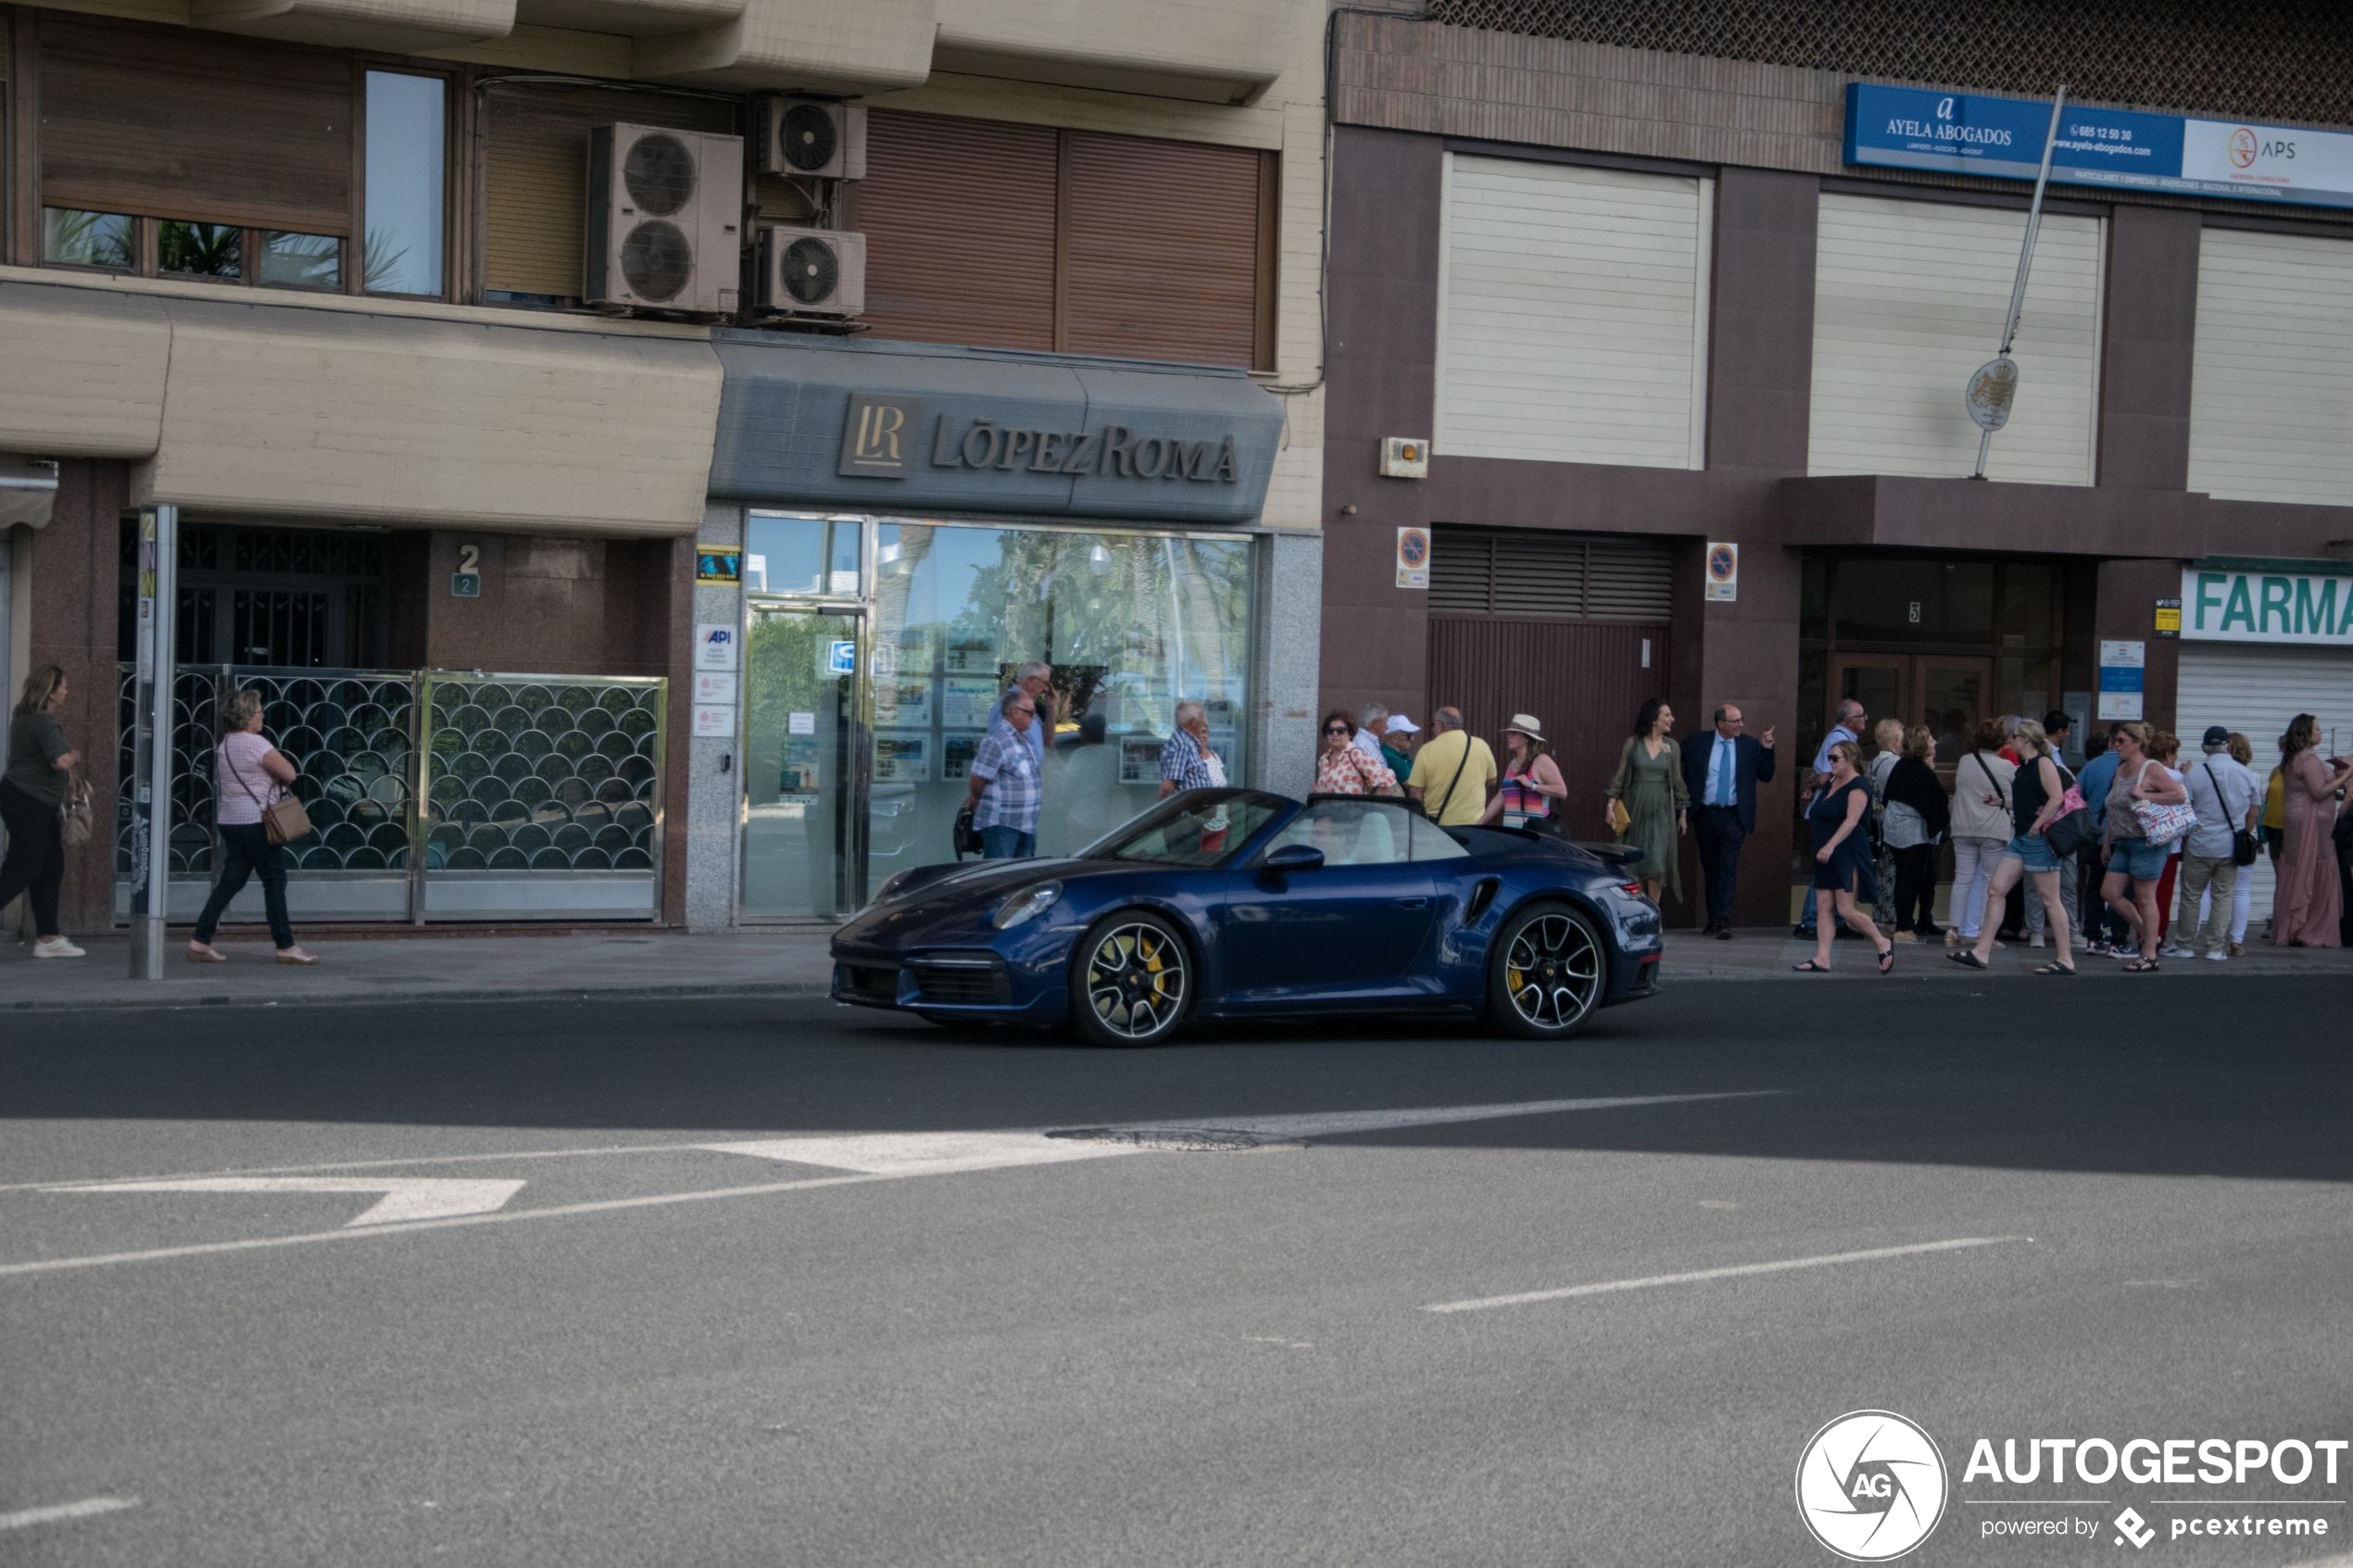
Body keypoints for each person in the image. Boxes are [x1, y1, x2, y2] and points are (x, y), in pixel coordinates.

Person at [186, 690, 317, 964]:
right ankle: (286, 946)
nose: (263, 716)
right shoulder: (256, 744)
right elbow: (290, 773)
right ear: (247, 717)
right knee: (274, 881)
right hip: (258, 823)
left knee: (231, 881)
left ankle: (200, 941)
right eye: (259, 712)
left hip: (231, 821)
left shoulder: (225, 745)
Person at [1951, 719, 2076, 974]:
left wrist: (2038, 824)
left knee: (2050, 899)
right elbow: (2025, 802)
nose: (2011, 740)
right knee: (1996, 890)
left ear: (2027, 739)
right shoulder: (2023, 767)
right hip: (2022, 839)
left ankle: (2065, 958)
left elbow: (2057, 798)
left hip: (2039, 839)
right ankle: (1981, 952)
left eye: (2015, 736)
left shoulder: (2043, 763)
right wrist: (1999, 803)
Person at [0, 664, 86, 959]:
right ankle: (48, 937)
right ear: (50, 690)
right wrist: (74, 755)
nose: (66, 691)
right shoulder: (43, 721)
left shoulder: (22, 716)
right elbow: (59, 761)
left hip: (29, 799)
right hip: (29, 800)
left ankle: (48, 937)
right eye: (62, 686)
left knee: (50, 866)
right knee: (25, 866)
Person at [1793, 739, 1895, 974]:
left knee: (1846, 910)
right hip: (1825, 853)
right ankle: (1822, 957)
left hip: (1846, 852)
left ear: (1850, 759)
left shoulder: (1858, 785)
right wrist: (1811, 787)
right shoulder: (1831, 781)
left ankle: (1882, 942)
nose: (1831, 763)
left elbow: (1852, 821)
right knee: (1823, 906)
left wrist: (1830, 845)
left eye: (1835, 758)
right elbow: (1816, 778)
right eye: (1829, 758)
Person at [1679, 702, 1777, 937]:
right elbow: (1673, 755)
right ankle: (1713, 919)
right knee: (1711, 867)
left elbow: (1766, 775)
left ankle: (1723, 920)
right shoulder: (1698, 742)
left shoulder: (1749, 745)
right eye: (1736, 721)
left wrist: (1767, 749)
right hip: (1705, 813)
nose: (1741, 724)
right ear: (1721, 724)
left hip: (1734, 815)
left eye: (1742, 720)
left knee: (1727, 867)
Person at [2098, 721, 2189, 971]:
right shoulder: (2121, 770)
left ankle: (2149, 953)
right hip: (2123, 840)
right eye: (2115, 741)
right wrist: (2108, 842)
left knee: (2145, 898)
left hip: (2147, 841)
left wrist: (2147, 795)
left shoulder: (2151, 768)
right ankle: (2150, 936)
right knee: (2110, 893)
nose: (2116, 746)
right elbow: (2113, 809)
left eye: (2122, 741)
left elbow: (2178, 795)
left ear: (2138, 743)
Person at [2172, 725, 2259, 963]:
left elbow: (2185, 810)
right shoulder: (2247, 775)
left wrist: (2187, 840)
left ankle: (2185, 945)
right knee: (2223, 896)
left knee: (2191, 896)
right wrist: (2244, 833)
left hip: (2199, 844)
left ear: (2204, 747)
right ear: (2227, 746)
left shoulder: (2194, 774)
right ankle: (2214, 948)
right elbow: (2253, 811)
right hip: (2230, 846)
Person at [2271, 712, 2352, 947]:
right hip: (2311, 822)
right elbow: (2318, 792)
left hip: (2301, 818)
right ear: (2305, 733)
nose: (2321, 732)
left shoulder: (2294, 758)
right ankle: (2309, 927)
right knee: (2312, 869)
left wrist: (2339, 791)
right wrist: (2347, 775)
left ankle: (2298, 924)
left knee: (2300, 869)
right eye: (2317, 729)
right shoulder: (2308, 759)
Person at [1605, 697, 1689, 905]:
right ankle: (1637, 919)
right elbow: (1620, 777)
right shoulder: (1632, 744)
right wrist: (1610, 806)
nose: (1672, 719)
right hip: (1635, 811)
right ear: (1654, 719)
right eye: (1667, 715)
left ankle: (1654, 920)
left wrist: (1683, 813)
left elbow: (1678, 781)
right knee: (1634, 866)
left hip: (1661, 813)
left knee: (1657, 867)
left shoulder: (1672, 747)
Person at [1944, 718, 2016, 954]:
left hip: (1963, 827)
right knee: (1989, 882)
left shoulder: (1965, 761)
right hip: (1993, 829)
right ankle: (1982, 932)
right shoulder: (2006, 767)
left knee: (1962, 879)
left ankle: (1953, 928)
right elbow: (2013, 798)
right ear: (2000, 741)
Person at [1794, 698, 1865, 937]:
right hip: (1830, 815)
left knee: (1835, 867)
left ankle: (1832, 919)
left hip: (1830, 812)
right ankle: (1811, 920)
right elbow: (1826, 775)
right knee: (1826, 866)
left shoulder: (1842, 739)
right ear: (1848, 720)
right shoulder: (1839, 740)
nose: (1865, 719)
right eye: (1860, 715)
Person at [2022, 709, 2084, 949]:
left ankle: (2040, 931)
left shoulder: (2044, 764)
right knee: (2061, 883)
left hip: (2052, 829)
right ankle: (2062, 931)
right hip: (2059, 830)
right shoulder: (2035, 766)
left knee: (2040, 884)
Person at [1881, 724, 1948, 942]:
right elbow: (1937, 801)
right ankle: (1904, 927)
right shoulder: (1920, 772)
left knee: (1918, 876)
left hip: (1897, 830)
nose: (1935, 742)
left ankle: (1920, 921)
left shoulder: (1902, 767)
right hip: (1912, 834)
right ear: (1922, 745)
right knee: (1909, 879)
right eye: (1930, 739)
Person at [965, 688, 1043, 859]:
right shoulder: (997, 739)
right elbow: (978, 776)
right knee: (999, 875)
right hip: (1003, 824)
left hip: (1025, 823)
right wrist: (975, 798)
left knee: (1022, 878)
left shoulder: (1022, 738)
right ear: (1014, 711)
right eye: (1030, 713)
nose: (1033, 717)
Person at [2077, 725, 2131, 954]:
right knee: (2122, 891)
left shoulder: (2091, 766)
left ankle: (2092, 938)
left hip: (2096, 835)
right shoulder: (2133, 768)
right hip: (2123, 836)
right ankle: (2118, 940)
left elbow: (2074, 797)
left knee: (2094, 887)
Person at [1406, 706, 1496, 828]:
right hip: (1473, 824)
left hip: (1438, 825)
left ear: (1441, 725)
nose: (1432, 729)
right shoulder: (1481, 745)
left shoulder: (1427, 750)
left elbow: (1415, 791)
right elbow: (1492, 780)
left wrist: (1421, 821)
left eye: (1433, 724)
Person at [1483, 715, 1566, 832]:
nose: (1508, 736)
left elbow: (1562, 791)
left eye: (1514, 733)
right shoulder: (1512, 764)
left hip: (1535, 836)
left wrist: (1532, 785)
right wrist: (1480, 822)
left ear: (1527, 738)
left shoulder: (1542, 760)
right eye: (1509, 733)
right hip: (1513, 835)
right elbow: (1500, 797)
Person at [2148, 732, 2188, 952]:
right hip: (2170, 842)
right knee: (2163, 893)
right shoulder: (2177, 778)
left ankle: (2141, 932)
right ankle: (2159, 935)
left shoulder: (2143, 773)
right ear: (2169, 754)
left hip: (2146, 840)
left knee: (2144, 892)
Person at [1866, 718, 1906, 930]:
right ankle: (1890, 916)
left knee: (1881, 870)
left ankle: (1880, 914)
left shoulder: (1873, 762)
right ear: (1895, 739)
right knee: (1891, 871)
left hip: (1876, 822)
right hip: (1890, 823)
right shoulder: (1894, 764)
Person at [1314, 711, 1400, 796]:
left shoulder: (1356, 755)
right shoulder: (1324, 759)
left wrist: (1373, 805)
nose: (1335, 734)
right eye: (1330, 730)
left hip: (1354, 809)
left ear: (1350, 733)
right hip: (1327, 809)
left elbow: (1386, 780)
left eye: (1340, 730)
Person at [1157, 699, 1228, 800]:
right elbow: (1167, 787)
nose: (1205, 721)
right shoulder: (1182, 745)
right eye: (1202, 717)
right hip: (1191, 813)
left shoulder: (1188, 743)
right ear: (1194, 722)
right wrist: (1160, 812)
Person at [1378, 714, 1420, 784]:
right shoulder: (1390, 757)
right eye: (1409, 735)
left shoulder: (1399, 756)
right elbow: (1411, 785)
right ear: (1395, 737)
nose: (1412, 738)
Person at [1352, 704, 1390, 768]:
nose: (1387, 727)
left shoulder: (1367, 742)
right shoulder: (1362, 745)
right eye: (1385, 722)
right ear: (1375, 724)